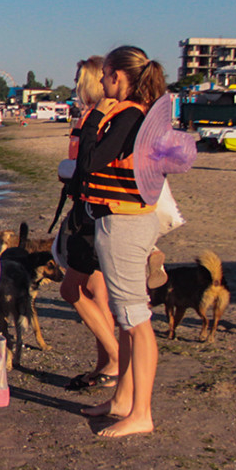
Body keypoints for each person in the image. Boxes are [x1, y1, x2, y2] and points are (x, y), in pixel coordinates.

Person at [75, 46, 167, 437]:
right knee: (130, 319)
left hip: (125, 225)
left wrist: (96, 113)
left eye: (105, 77)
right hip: (128, 220)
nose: (102, 84)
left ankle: (141, 413)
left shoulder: (129, 114)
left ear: (115, 76)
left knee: (136, 321)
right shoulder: (142, 114)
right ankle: (123, 400)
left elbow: (89, 161)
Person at [55, 57, 120, 391]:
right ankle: (106, 365)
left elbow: (83, 165)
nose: (76, 84)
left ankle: (114, 357)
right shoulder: (117, 116)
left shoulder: (95, 118)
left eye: (79, 78)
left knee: (72, 289)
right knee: (97, 291)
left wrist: (67, 172)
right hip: (104, 213)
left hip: (91, 213)